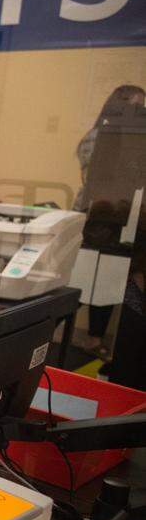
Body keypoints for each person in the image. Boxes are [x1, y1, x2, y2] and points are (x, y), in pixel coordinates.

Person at [74, 84, 144, 355]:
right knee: (83, 279)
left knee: (107, 281)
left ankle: (95, 339)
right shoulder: (98, 136)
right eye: (135, 106)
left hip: (121, 217)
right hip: (96, 216)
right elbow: (103, 176)